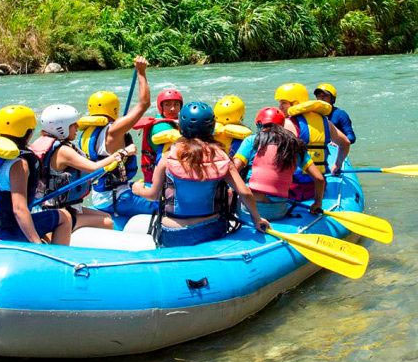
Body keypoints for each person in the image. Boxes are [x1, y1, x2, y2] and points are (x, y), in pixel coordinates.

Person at [132, 102, 270, 246]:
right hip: (211, 228)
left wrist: (138, 189)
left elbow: (153, 195)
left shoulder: (167, 158)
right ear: (211, 127)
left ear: (181, 128)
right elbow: (244, 192)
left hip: (174, 231)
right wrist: (257, 219)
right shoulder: (222, 157)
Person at [0, 105, 72, 244]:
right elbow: (19, 209)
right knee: (64, 217)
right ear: (28, 132)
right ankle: (56, 259)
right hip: (4, 231)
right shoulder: (18, 164)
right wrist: (38, 244)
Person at [30, 104, 135, 230]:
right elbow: (93, 167)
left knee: (106, 216)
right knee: (107, 222)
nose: (77, 127)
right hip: (57, 210)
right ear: (61, 128)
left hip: (56, 206)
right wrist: (123, 152)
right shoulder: (63, 150)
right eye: (74, 125)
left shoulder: (46, 142)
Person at [79, 56, 155, 217]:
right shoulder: (114, 131)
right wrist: (141, 73)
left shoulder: (86, 133)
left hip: (100, 197)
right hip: (118, 198)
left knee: (145, 187)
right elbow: (144, 104)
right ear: (114, 109)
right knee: (165, 203)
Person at [234, 107, 325, 219]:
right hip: (278, 211)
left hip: (249, 208)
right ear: (281, 125)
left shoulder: (252, 140)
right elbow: (319, 179)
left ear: (259, 124)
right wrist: (317, 203)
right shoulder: (295, 145)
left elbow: (233, 170)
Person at [275, 83, 350, 201]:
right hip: (318, 187)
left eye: (283, 103)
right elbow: (345, 143)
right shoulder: (325, 122)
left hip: (292, 189)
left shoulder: (287, 124)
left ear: (295, 103)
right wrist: (337, 164)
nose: (280, 107)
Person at [134, 88, 183, 183]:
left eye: (176, 104)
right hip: (158, 178)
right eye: (167, 105)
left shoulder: (179, 121)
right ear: (161, 107)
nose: (172, 108)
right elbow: (171, 135)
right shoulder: (159, 125)